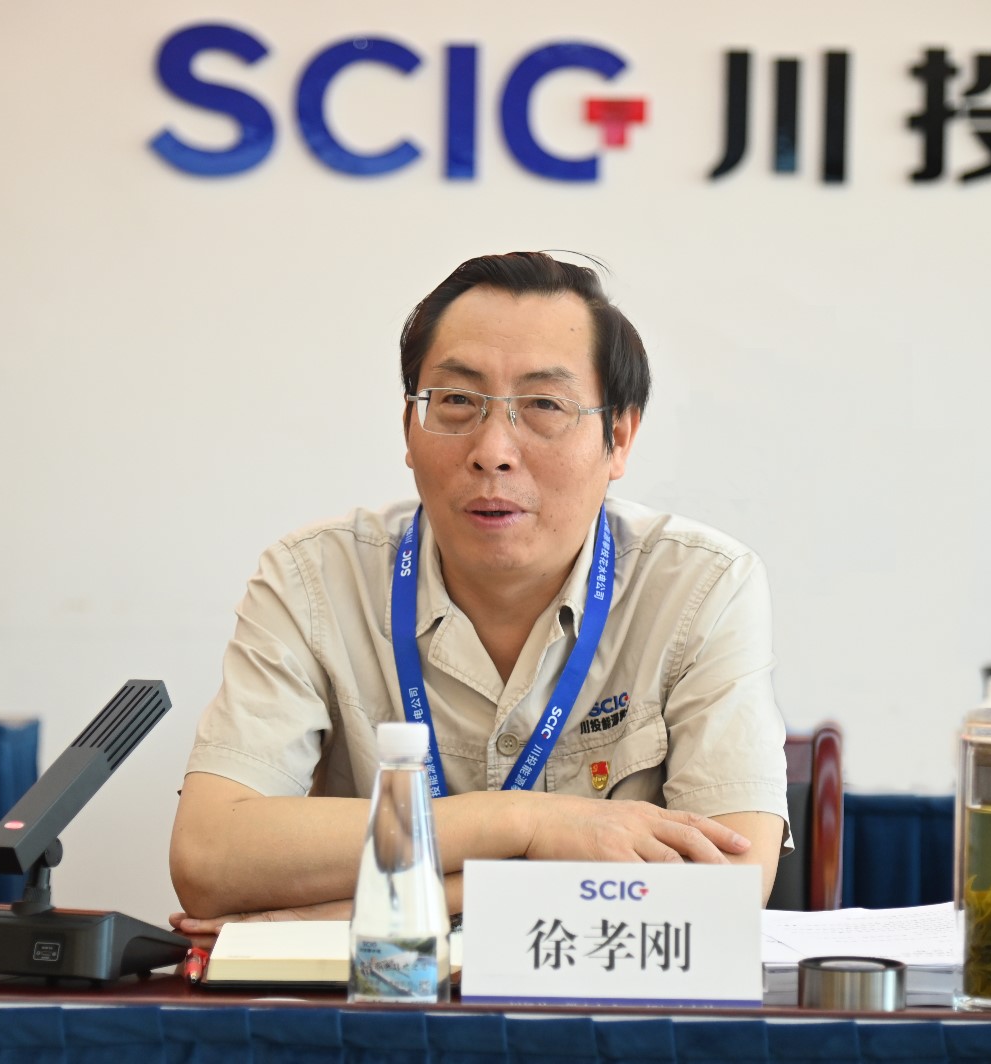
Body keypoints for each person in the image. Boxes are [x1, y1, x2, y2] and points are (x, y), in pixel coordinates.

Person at [170, 252, 788, 938]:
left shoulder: (701, 586)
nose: (493, 449)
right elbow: (209, 858)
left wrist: (360, 909)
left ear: (618, 438)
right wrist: (524, 823)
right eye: (458, 401)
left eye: (544, 405)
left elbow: (726, 887)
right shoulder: (312, 578)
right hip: (379, 1001)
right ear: (409, 428)